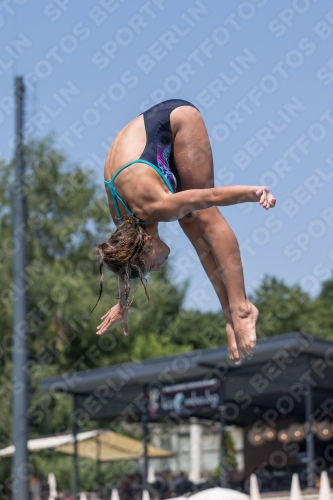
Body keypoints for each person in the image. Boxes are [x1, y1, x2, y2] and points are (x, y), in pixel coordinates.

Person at [94, 99, 276, 364]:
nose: (156, 269)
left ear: (145, 243)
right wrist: (122, 303)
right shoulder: (126, 231)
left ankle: (241, 308)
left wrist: (254, 192)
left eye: (150, 265)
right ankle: (229, 313)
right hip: (141, 149)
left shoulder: (156, 205)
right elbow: (124, 262)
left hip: (176, 120)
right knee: (187, 220)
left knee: (204, 215)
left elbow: (210, 195)